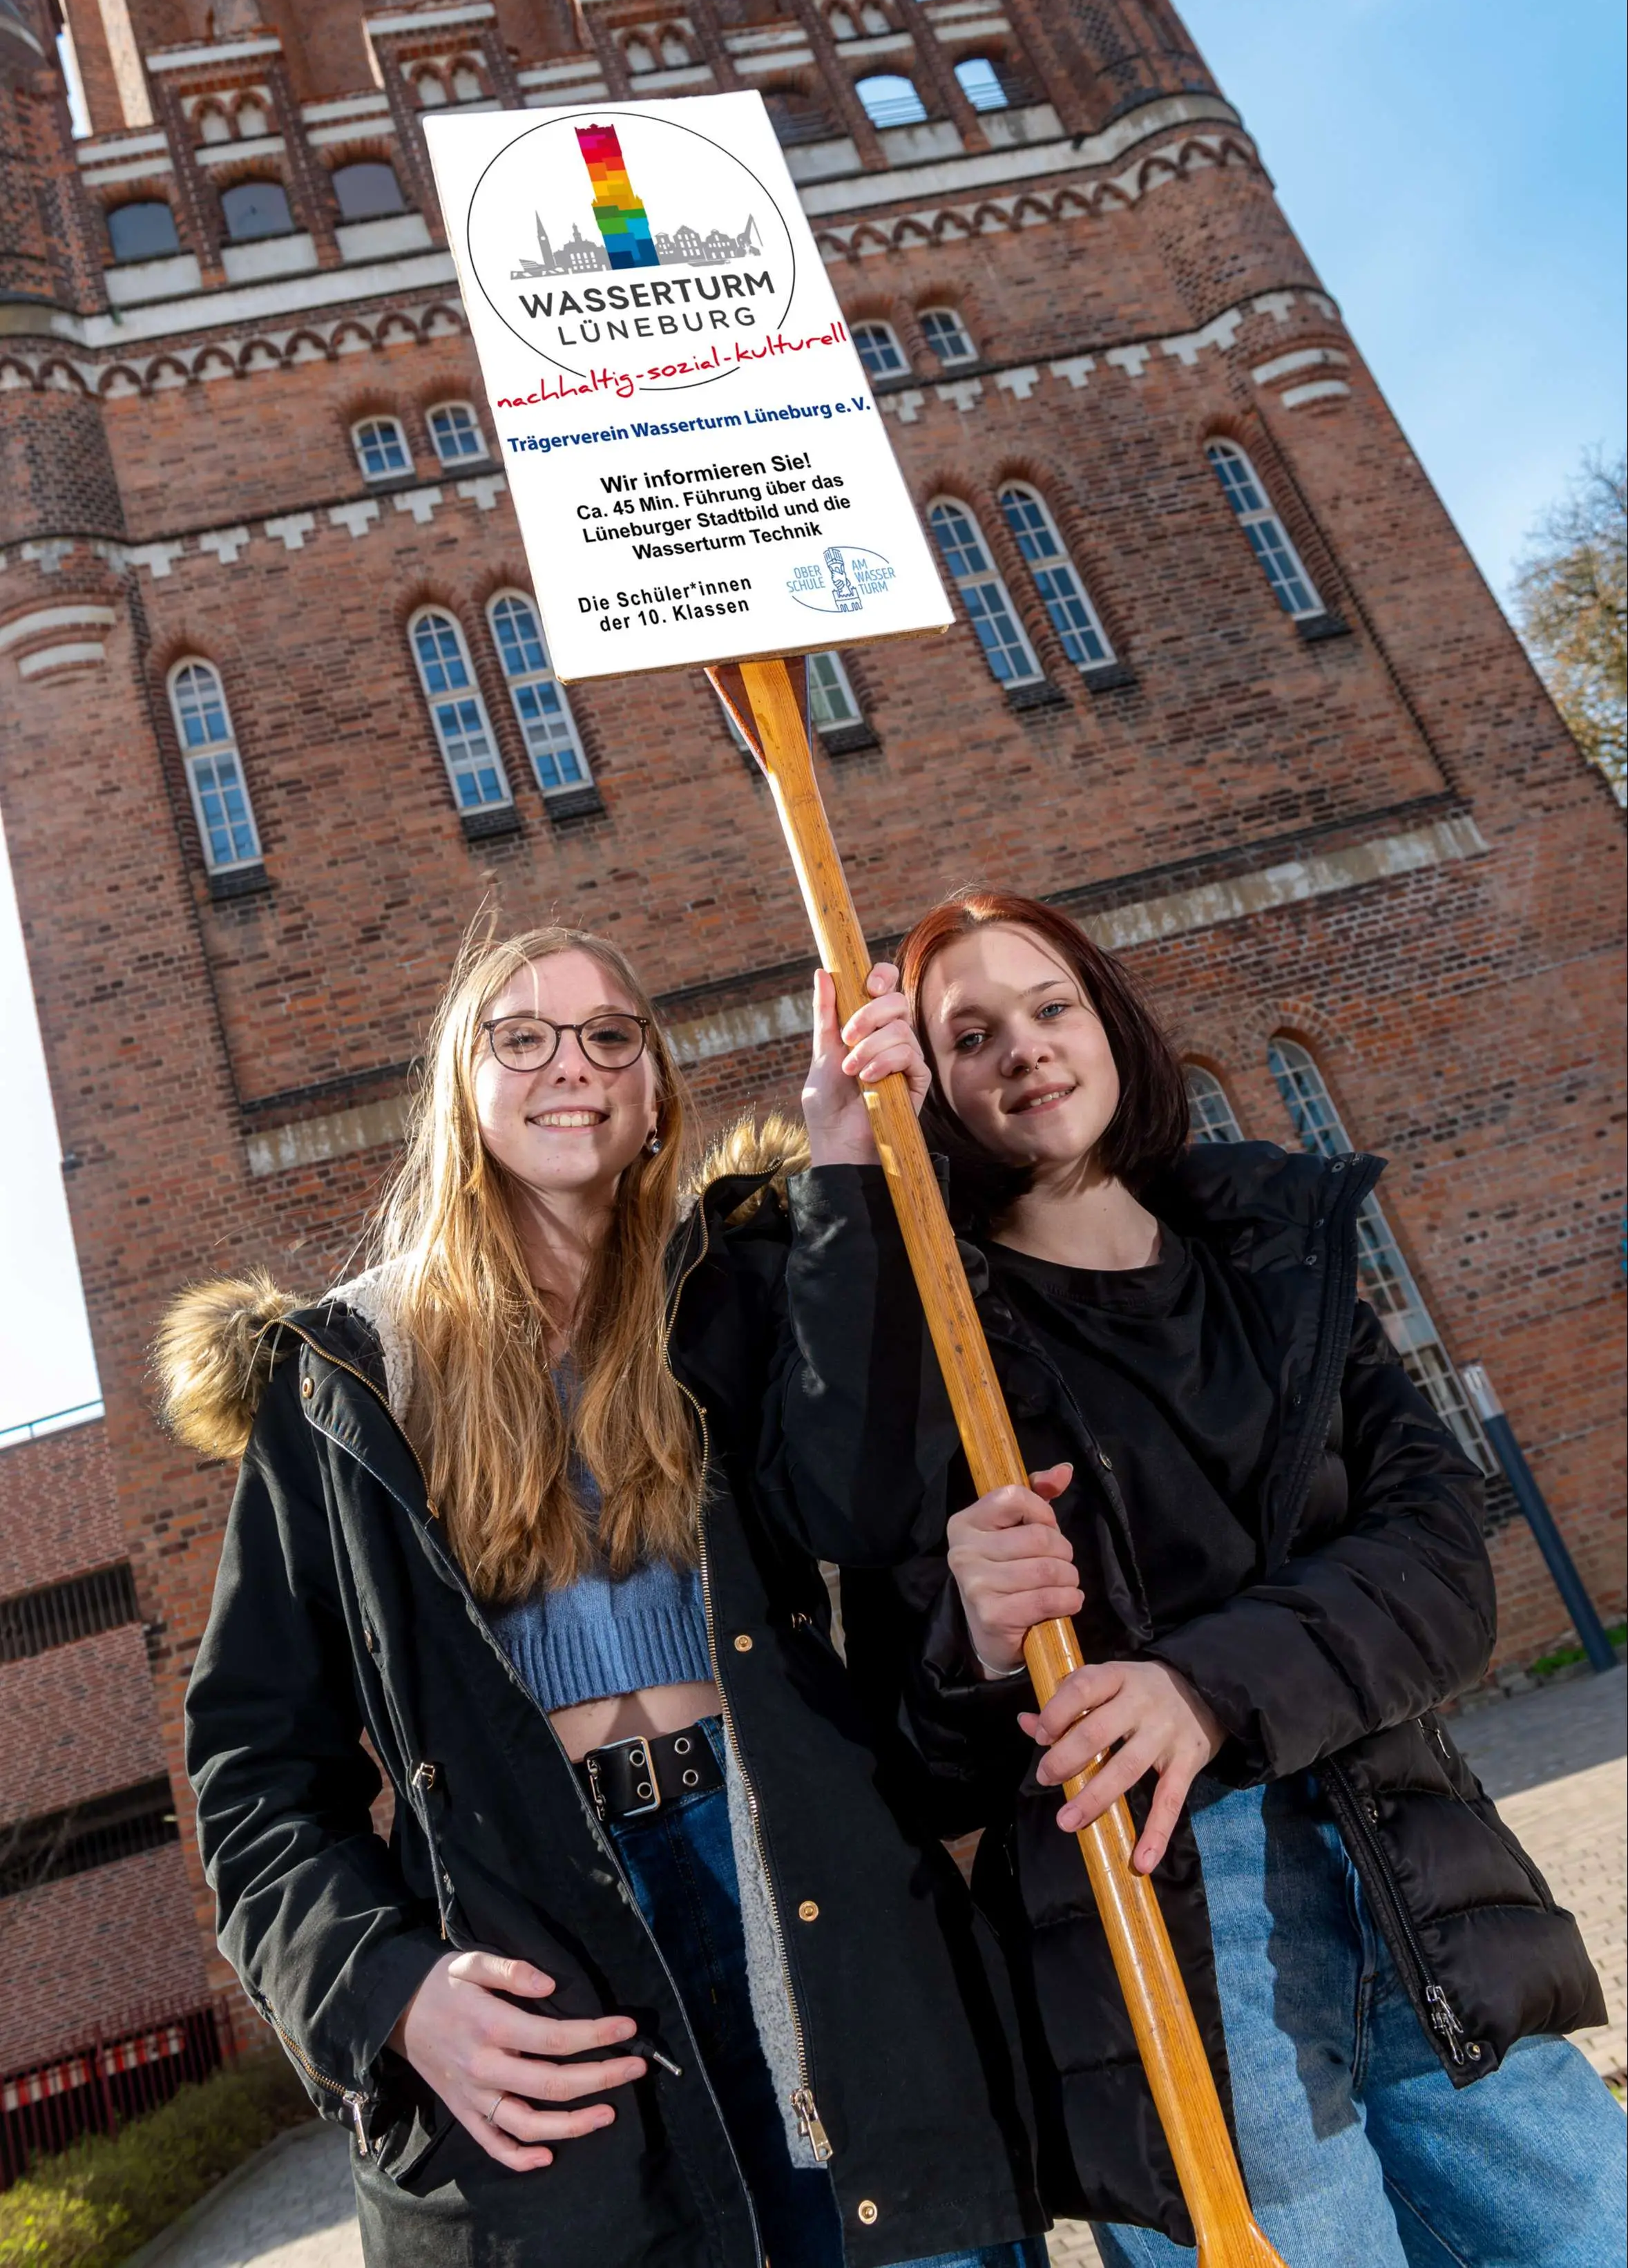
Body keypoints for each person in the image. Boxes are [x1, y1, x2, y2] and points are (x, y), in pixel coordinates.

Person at [163, 921, 1048, 2268]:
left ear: (651, 1094)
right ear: (462, 1090)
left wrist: (845, 1168)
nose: (566, 1063)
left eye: (607, 1035)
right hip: (546, 1942)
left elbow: (868, 1507)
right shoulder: (347, 1379)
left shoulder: (732, 1294)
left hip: (793, 1890)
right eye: (518, 1037)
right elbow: (251, 1765)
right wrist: (388, 1989)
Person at [862, 888, 1622, 2268]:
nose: (1021, 1048)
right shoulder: (936, 1356)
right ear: (930, 1087)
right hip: (1168, 1920)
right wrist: (973, 1636)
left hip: (1405, 1855)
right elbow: (925, 1756)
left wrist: (1204, 1686)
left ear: (1108, 1024)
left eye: (1048, 1008)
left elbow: (1444, 1563)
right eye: (967, 1035)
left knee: (1584, 2226)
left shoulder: (1283, 1254)